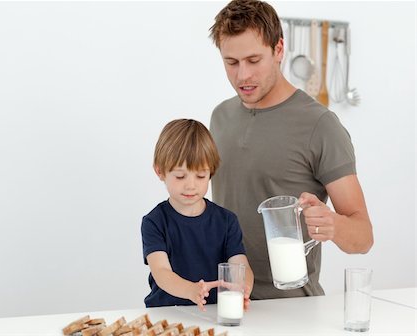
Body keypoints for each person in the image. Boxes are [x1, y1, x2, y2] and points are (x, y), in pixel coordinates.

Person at [208, 0, 374, 300]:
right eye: (231, 62)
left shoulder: (320, 125)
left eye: (253, 60)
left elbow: (363, 237)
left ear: (279, 50)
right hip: (226, 299)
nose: (242, 75)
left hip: (291, 308)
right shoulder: (220, 117)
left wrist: (333, 224)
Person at [141, 118, 254, 311]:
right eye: (180, 176)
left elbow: (240, 265)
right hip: (167, 313)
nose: (191, 185)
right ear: (159, 171)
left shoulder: (226, 221)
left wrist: (242, 289)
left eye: (200, 176)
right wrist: (192, 290)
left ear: (211, 172)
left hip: (214, 313)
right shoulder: (154, 222)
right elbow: (161, 272)